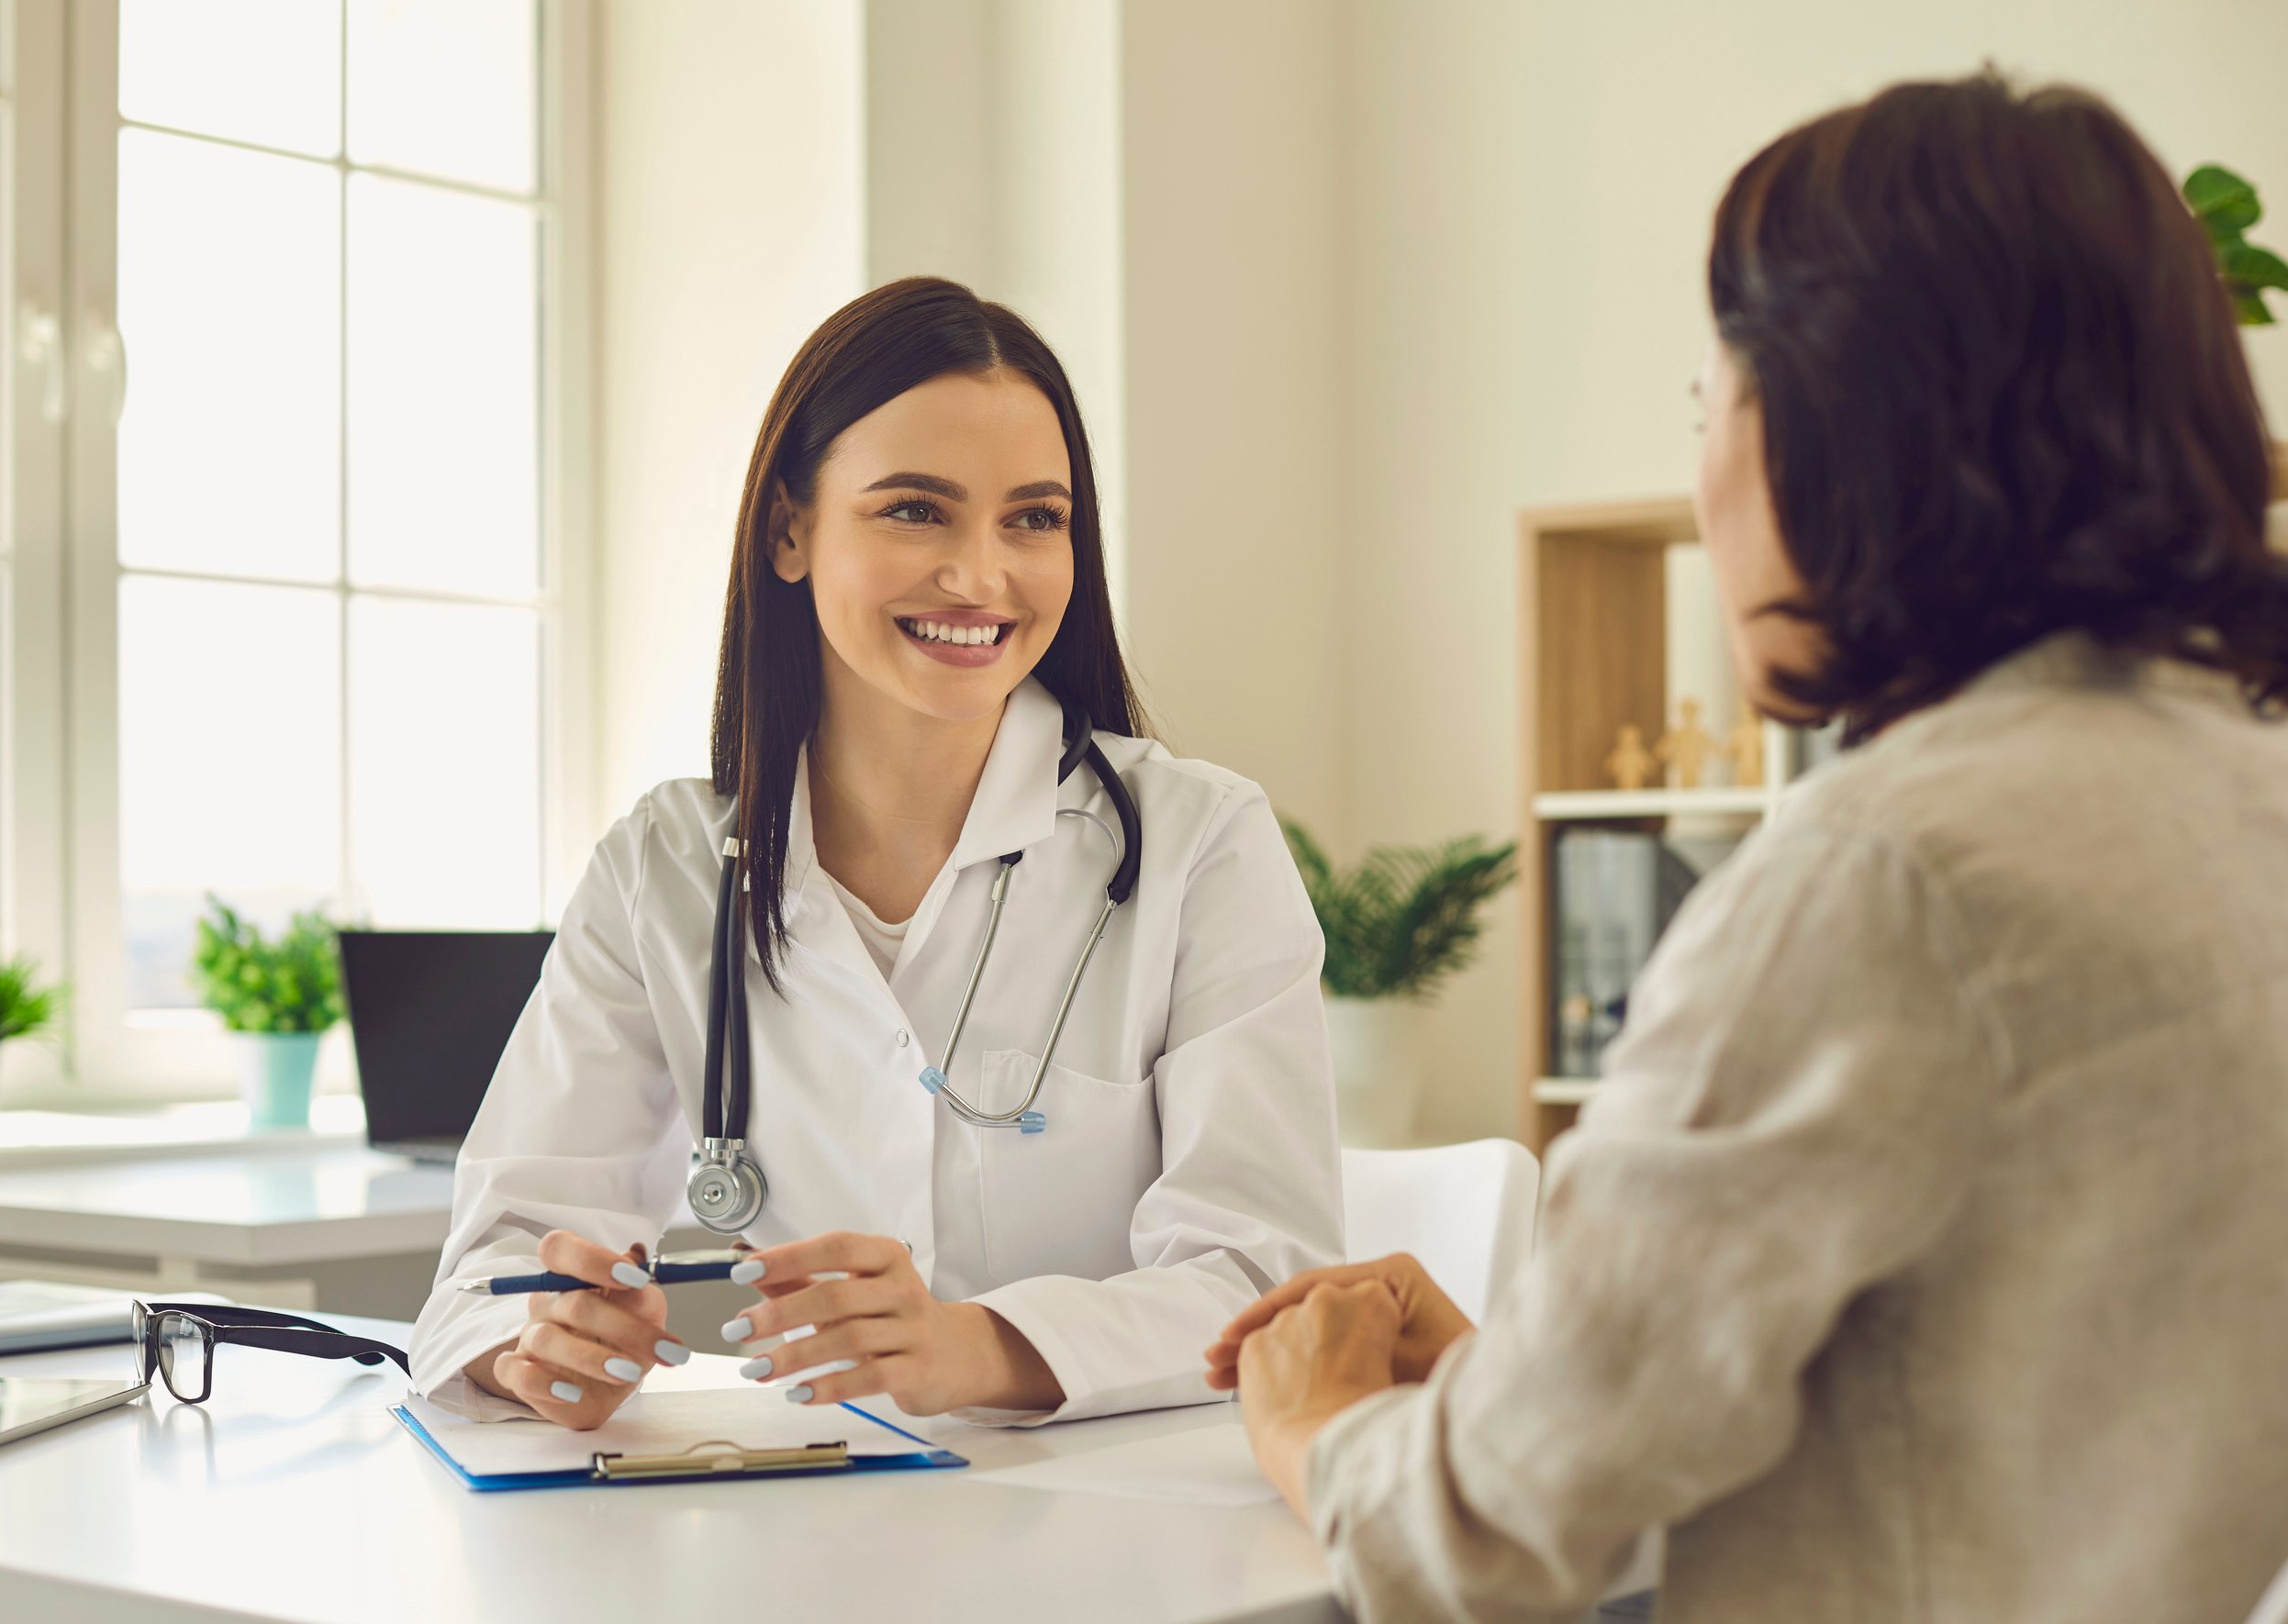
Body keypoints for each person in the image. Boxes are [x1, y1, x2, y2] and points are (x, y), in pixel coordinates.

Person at [1208, 72, 2288, 1622]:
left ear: (1840, 430)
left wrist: (1317, 1424)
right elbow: (1984, 1363)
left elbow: (1480, 1545)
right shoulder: (2246, 788)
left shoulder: (1886, 876)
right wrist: (1537, 1372)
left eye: (1709, 403)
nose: (1705, 470)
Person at [408, 277, 1342, 1430]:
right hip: (828, 1519)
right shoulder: (667, 866)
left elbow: (1264, 1275)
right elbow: (498, 1254)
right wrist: (534, 1338)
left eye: (1034, 519)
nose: (981, 576)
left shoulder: (1199, 844)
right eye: (916, 510)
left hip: (1133, 1525)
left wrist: (979, 1347)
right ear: (791, 531)